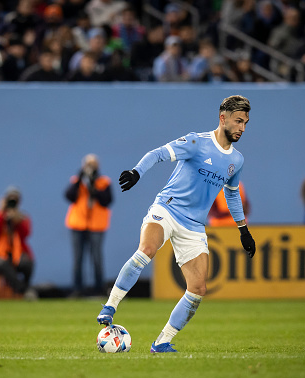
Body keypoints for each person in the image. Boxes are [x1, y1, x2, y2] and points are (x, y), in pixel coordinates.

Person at [97, 95, 256, 353]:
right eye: (238, 121)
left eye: (246, 123)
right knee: (147, 250)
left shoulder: (236, 160)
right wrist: (137, 171)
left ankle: (161, 343)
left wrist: (243, 230)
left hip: (194, 225)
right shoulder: (196, 142)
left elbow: (232, 193)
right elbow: (158, 154)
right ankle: (110, 306)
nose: (242, 128)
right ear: (223, 118)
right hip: (167, 209)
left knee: (198, 288)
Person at [65, 154, 112, 296]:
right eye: (88, 164)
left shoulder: (103, 182)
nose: (90, 167)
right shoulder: (77, 180)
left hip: (96, 225)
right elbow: (69, 195)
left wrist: (94, 189)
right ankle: (77, 289)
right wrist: (80, 178)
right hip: (78, 224)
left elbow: (107, 200)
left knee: (97, 258)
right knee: (78, 258)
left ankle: (99, 289)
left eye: (93, 164)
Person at [0, 187, 35, 297]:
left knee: (27, 263)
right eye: (10, 199)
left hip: (16, 253)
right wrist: (1, 213)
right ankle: (23, 291)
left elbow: (26, 234)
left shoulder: (22, 217)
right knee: (3, 263)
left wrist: (18, 221)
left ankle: (24, 288)